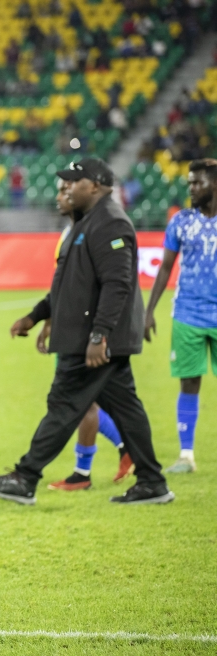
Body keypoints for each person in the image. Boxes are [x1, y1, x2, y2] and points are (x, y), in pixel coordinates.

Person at [0, 158, 172, 505]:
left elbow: (118, 284)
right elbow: (68, 287)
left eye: (73, 181)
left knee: (64, 404)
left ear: (96, 185)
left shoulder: (110, 223)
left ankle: (25, 478)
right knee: (126, 408)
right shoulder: (85, 224)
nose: (65, 188)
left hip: (92, 341)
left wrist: (99, 336)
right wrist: (36, 316)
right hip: (90, 337)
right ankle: (153, 482)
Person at [36, 178, 134, 491]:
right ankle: (125, 447)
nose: (60, 197)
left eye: (66, 192)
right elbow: (64, 288)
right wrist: (48, 321)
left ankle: (82, 473)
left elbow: (106, 284)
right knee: (89, 401)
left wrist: (96, 333)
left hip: (84, 333)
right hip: (74, 330)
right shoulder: (72, 233)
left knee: (81, 403)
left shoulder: (91, 232)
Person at [144, 158, 217, 474]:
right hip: (187, 312)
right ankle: (186, 456)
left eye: (197, 183)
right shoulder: (181, 221)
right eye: (189, 183)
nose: (191, 188)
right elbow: (165, 268)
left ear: (213, 184)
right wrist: (148, 311)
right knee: (188, 383)